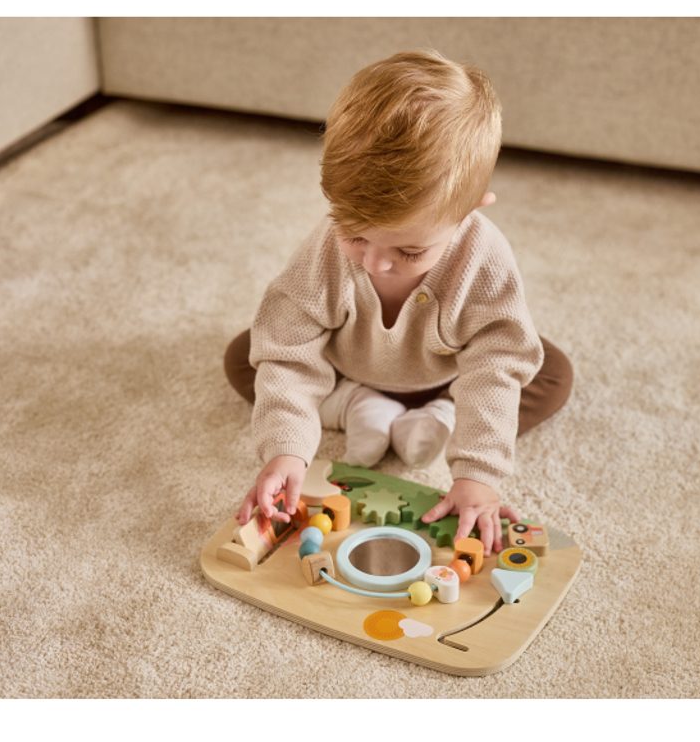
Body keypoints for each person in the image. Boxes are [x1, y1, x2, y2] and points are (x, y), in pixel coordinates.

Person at [224, 49, 572, 555]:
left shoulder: (484, 259)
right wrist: (287, 451)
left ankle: (444, 416)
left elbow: (497, 363)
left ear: (470, 211)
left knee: (547, 370)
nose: (375, 264)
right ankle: (358, 404)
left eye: (409, 251)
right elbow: (286, 345)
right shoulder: (324, 252)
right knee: (248, 354)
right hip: (350, 367)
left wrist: (478, 474)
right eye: (354, 235)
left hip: (446, 374)